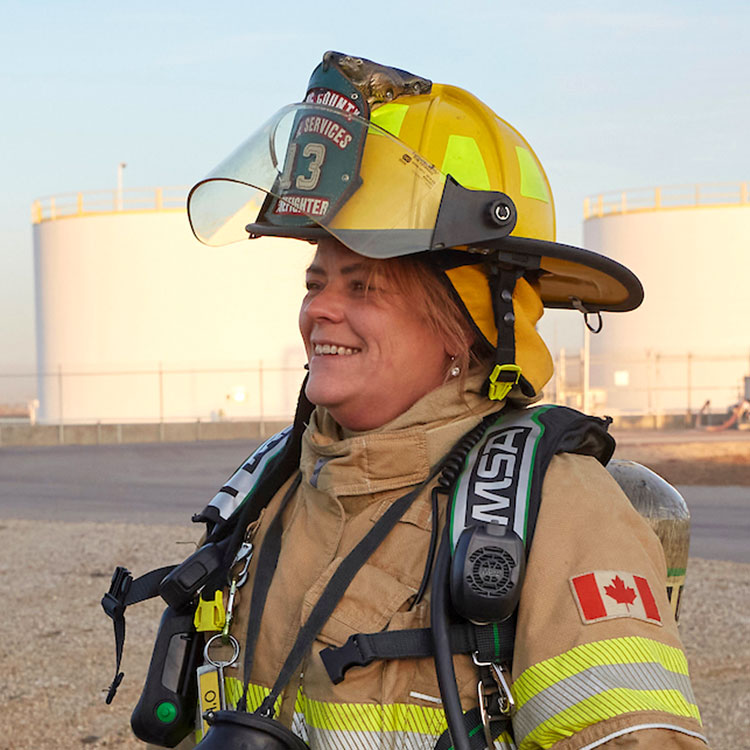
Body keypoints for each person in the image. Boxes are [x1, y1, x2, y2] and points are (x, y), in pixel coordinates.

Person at [177, 52, 709, 749]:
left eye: (363, 286)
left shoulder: (561, 508)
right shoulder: (272, 488)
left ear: (462, 325)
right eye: (316, 282)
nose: (320, 312)